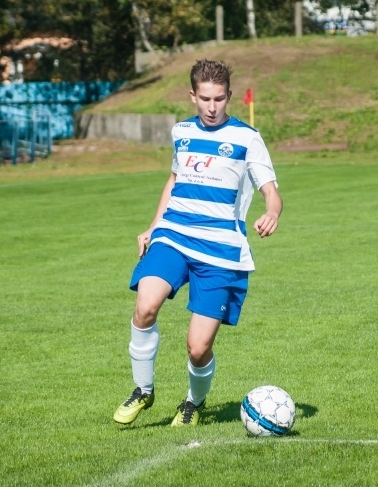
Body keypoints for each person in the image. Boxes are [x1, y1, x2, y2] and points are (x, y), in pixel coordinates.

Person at [112, 59, 283, 427]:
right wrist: (153, 226)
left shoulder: (247, 138)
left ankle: (193, 402)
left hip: (221, 248)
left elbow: (271, 190)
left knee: (198, 346)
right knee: (145, 306)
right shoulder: (181, 132)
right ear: (192, 96)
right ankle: (143, 390)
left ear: (229, 97)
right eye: (204, 98)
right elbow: (174, 181)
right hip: (174, 234)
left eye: (219, 99)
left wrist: (272, 212)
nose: (211, 107)